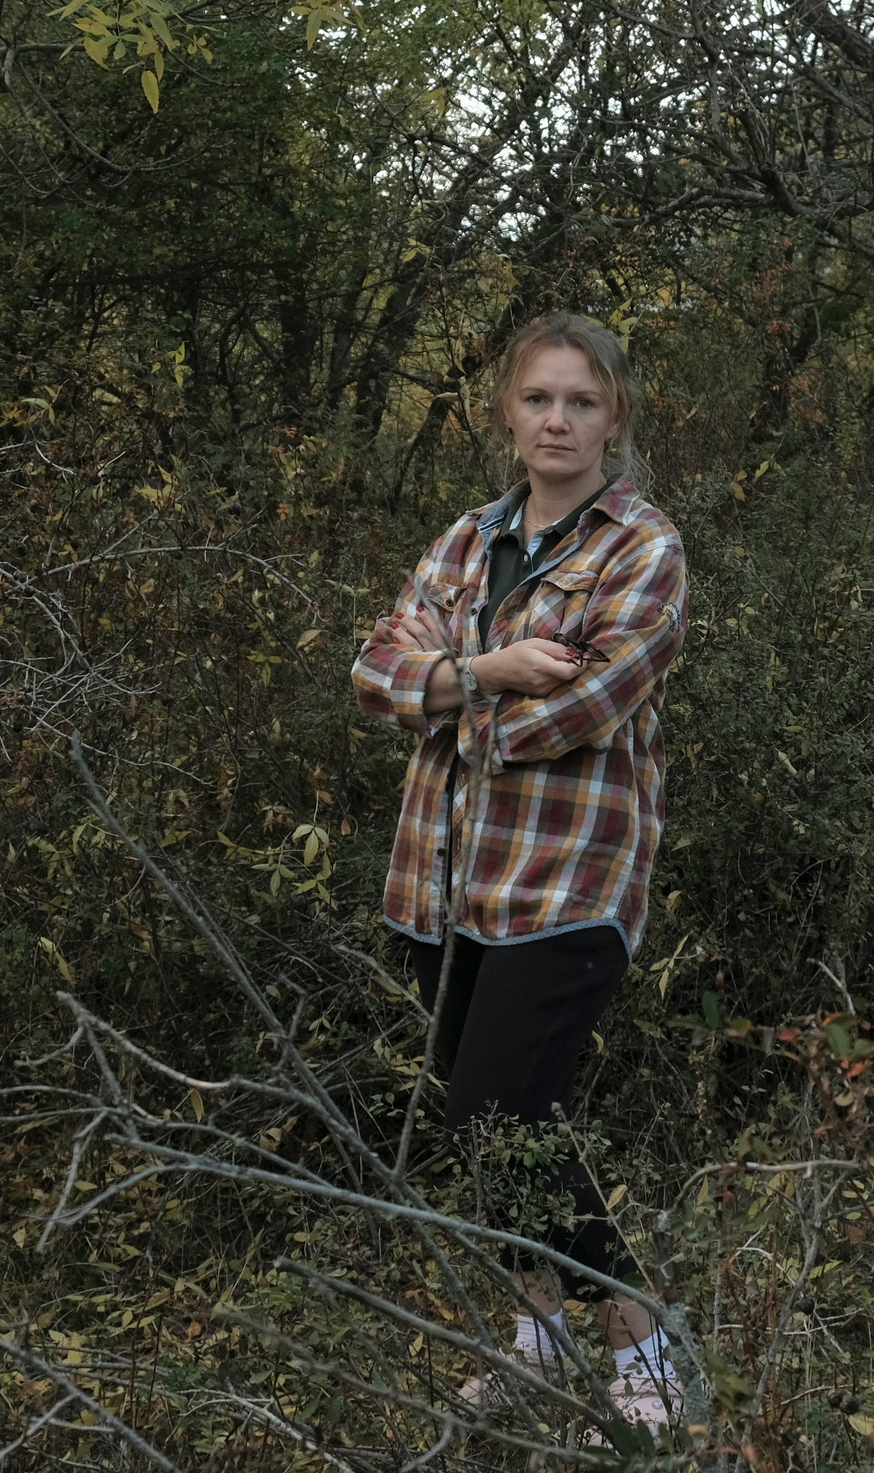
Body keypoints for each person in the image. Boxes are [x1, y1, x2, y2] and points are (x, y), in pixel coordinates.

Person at [351, 311, 689, 1429]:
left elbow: (588, 706)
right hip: (438, 881)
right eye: (541, 398)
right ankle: (535, 1335)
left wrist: (452, 694)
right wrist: (489, 668)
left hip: (568, 882)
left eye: (582, 402)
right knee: (482, 1121)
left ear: (615, 418)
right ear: (508, 410)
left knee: (504, 1106)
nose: (558, 419)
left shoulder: (641, 548)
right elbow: (371, 670)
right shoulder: (463, 541)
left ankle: (645, 1344)